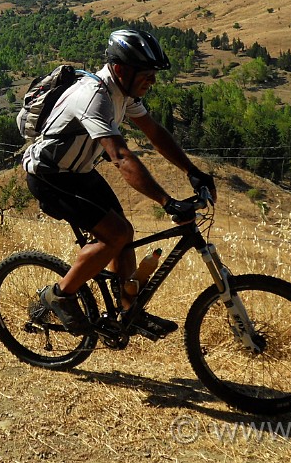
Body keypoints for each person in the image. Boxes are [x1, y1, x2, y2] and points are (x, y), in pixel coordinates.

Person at [22, 28, 216, 336]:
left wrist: (191, 170)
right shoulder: (93, 96)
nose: (152, 81)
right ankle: (59, 296)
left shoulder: (123, 93)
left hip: (80, 173)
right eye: (147, 74)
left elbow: (154, 132)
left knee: (124, 234)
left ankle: (129, 312)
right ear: (121, 69)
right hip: (50, 176)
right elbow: (120, 156)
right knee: (117, 234)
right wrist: (166, 202)